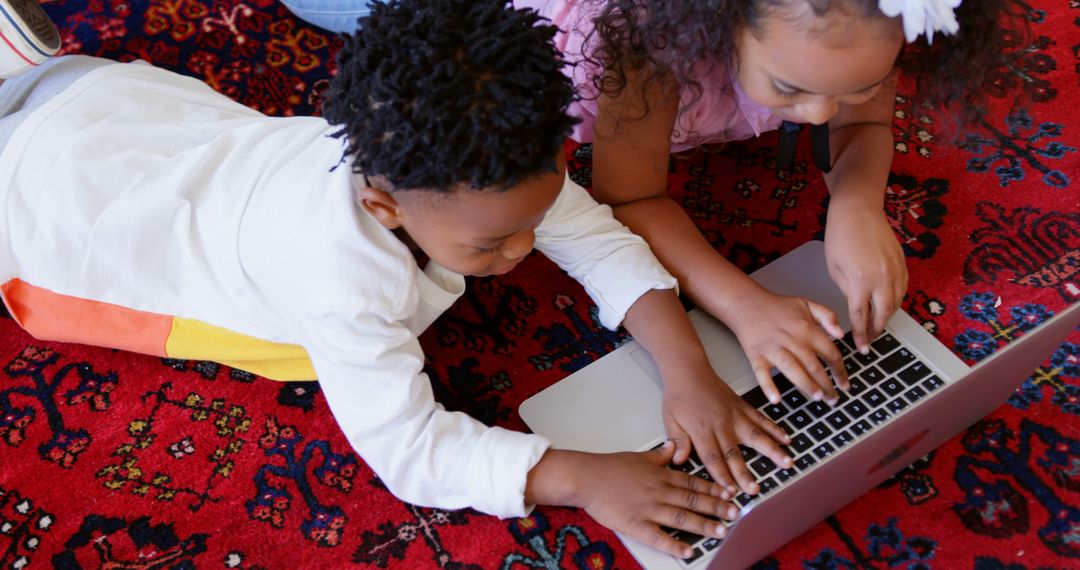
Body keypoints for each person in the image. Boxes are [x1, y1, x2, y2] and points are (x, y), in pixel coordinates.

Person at [0, 0, 794, 559]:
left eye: (536, 213)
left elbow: (590, 233)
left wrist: (687, 369)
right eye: (493, 244)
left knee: (71, 98)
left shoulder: (482, 166)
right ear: (382, 207)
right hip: (43, 208)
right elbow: (410, 449)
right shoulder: (341, 283)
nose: (524, 248)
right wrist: (582, 478)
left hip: (111, 107)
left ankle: (29, 77)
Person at [275, 0, 1026, 408]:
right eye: (791, 91)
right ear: (722, 18)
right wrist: (745, 305)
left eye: (856, 85)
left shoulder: (867, 22)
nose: (822, 116)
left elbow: (864, 127)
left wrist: (857, 205)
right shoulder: (646, 49)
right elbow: (631, 196)